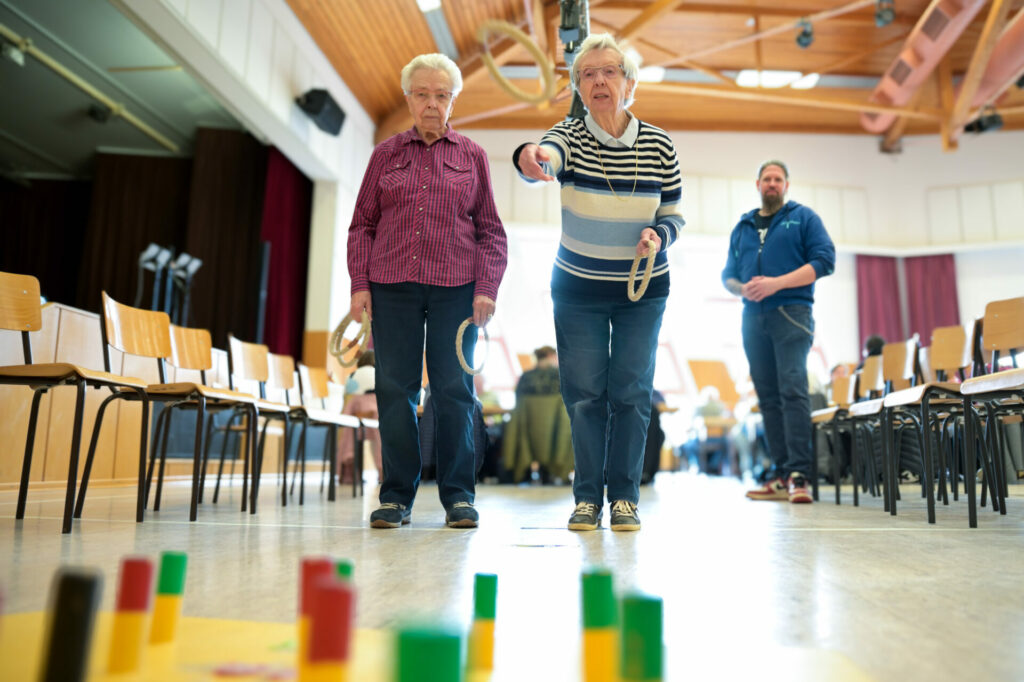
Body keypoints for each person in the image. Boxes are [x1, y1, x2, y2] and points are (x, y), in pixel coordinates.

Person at [513, 33, 685, 532]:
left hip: (641, 289)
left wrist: (660, 233)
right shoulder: (569, 135)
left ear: (629, 83)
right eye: (588, 74)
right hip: (579, 289)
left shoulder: (659, 142)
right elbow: (542, 154)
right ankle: (587, 497)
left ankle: (625, 498)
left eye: (609, 71)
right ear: (579, 88)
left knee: (631, 393)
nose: (600, 81)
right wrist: (531, 157)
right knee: (585, 395)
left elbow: (674, 212)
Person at [347, 53, 507, 529]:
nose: (432, 104)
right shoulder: (385, 155)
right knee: (395, 390)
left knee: (455, 392)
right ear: (409, 99)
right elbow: (362, 226)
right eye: (423, 94)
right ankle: (396, 496)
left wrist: (487, 288)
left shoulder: (472, 155)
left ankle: (459, 496)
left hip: (457, 291)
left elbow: (491, 233)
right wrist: (359, 286)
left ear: (453, 100)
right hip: (391, 286)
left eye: (442, 95)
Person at [722, 160, 835, 504]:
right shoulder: (742, 226)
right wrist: (742, 289)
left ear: (786, 185)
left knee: (793, 392)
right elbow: (727, 275)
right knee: (768, 399)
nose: (772, 184)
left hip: (792, 314)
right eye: (767, 179)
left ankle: (800, 474)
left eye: (778, 179)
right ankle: (782, 474)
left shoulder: (804, 218)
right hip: (752, 319)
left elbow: (825, 261)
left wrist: (776, 284)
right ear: (757, 184)